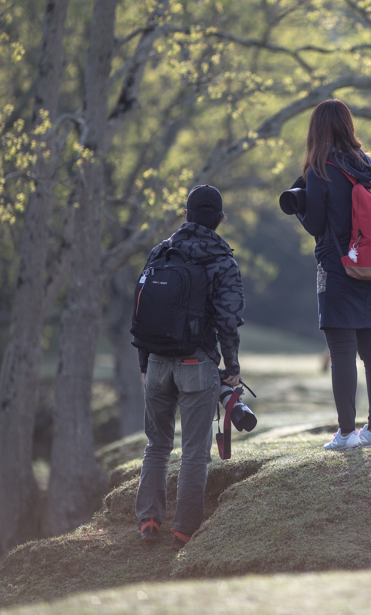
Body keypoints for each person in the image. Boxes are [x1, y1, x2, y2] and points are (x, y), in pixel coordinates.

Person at [134, 185, 246, 549]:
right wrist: (232, 367)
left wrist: (144, 365)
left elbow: (142, 313)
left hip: (155, 361)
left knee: (157, 445)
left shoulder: (160, 252)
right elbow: (229, 321)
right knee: (195, 451)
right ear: (219, 220)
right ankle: (185, 530)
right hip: (197, 363)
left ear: (185, 215)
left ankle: (149, 520)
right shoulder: (223, 261)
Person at [289, 99, 371, 451]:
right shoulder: (365, 164)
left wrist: (300, 205)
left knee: (342, 352)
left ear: (316, 129)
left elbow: (316, 224)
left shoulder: (320, 169)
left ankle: (346, 434)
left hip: (336, 267)